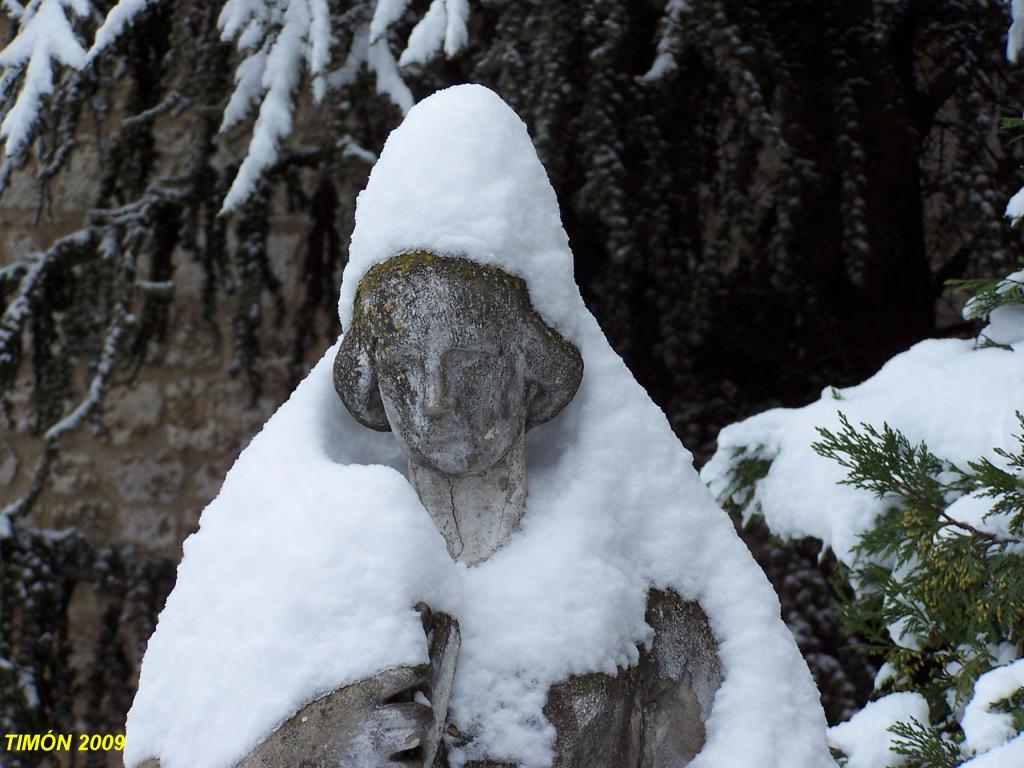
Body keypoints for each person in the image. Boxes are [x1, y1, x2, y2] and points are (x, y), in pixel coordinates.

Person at [126, 85, 835, 768]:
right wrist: (306, 748)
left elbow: (767, 742)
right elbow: (170, 746)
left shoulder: (647, 582)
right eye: (404, 368)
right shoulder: (280, 556)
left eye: (467, 363)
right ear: (370, 378)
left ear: (529, 371)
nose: (433, 402)